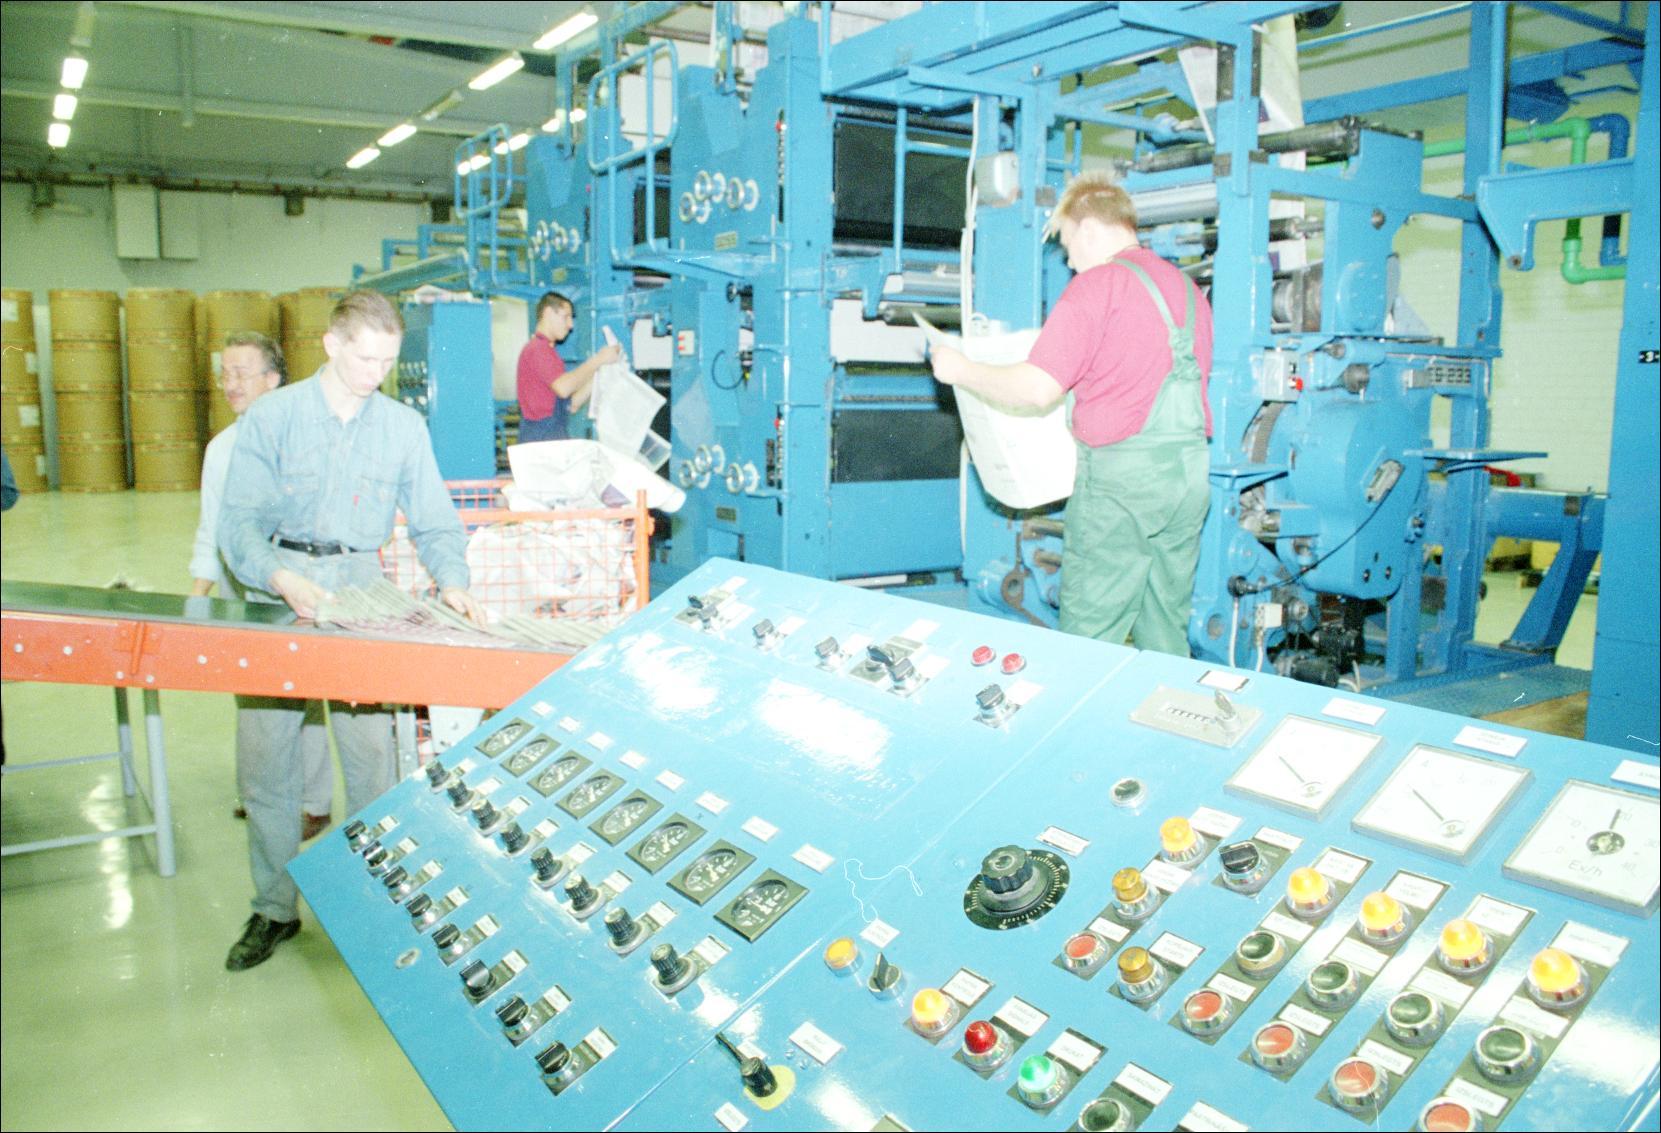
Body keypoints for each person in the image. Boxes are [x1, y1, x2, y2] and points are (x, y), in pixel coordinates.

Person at [217, 290, 485, 971]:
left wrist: (453, 579)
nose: (377, 374)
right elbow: (238, 524)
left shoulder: (402, 427)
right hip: (276, 592)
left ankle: (373, 903)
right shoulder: (273, 418)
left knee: (372, 763)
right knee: (267, 764)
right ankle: (274, 907)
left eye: (388, 362)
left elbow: (435, 521)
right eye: (366, 359)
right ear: (332, 345)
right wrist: (281, 578)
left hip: (362, 590)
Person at [929, 171, 1213, 656]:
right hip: (1187, 480)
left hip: (1122, 487)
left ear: (1089, 228)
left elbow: (1037, 389)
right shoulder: (1186, 289)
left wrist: (961, 370)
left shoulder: (1098, 285)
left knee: (1089, 639)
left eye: (1066, 243)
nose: (1069, 260)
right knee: (1164, 629)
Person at [189, 333, 332, 841]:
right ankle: (263, 794)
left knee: (302, 689)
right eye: (225, 373)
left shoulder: (304, 439)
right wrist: (199, 592)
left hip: (294, 581)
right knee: (252, 691)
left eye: (242, 373)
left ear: (273, 380)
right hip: (239, 581)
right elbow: (212, 527)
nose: (230, 383)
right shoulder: (221, 449)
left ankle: (314, 801)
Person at [516, 291, 622, 443]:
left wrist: (601, 372)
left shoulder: (548, 352)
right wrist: (598, 360)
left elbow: (573, 404)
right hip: (541, 441)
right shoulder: (538, 349)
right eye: (566, 317)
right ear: (548, 313)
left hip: (550, 437)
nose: (571, 325)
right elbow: (564, 388)